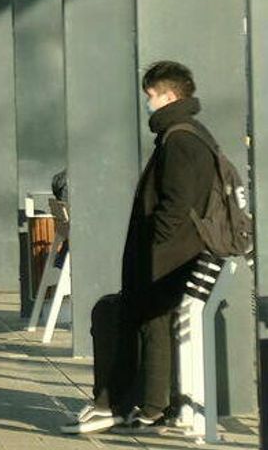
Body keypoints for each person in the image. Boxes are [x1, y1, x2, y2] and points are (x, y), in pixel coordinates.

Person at [62, 61, 213, 434]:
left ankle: (139, 406)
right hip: (174, 256)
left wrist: (154, 246)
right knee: (140, 319)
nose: (148, 103)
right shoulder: (186, 135)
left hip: (169, 258)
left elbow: (177, 203)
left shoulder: (180, 140)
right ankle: (136, 404)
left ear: (169, 95)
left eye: (151, 96)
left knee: (145, 320)